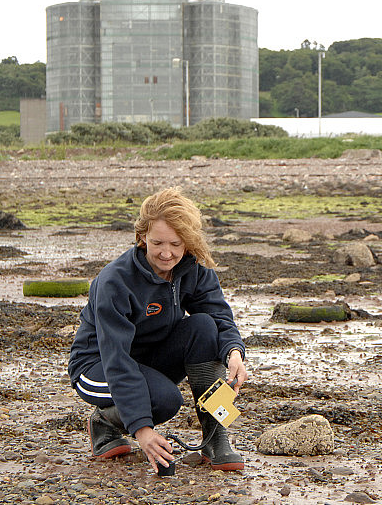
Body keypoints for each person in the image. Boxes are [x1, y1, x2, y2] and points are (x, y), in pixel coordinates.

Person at [68, 187, 248, 473]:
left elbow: (219, 315)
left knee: (204, 326)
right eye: (158, 243)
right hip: (98, 364)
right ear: (142, 237)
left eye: (176, 244)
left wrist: (234, 352)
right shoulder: (115, 281)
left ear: (188, 242)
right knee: (165, 400)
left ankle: (217, 436)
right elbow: (116, 358)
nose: (167, 253)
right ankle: (103, 422)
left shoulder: (194, 267)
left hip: (150, 358)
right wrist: (143, 430)